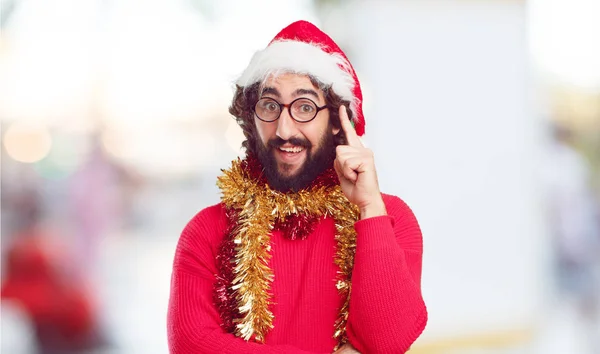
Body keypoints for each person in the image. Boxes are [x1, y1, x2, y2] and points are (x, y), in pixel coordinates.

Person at [167, 20, 428, 353]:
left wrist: (370, 208)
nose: (284, 128)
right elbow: (191, 345)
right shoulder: (207, 230)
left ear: (337, 121)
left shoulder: (390, 218)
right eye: (270, 106)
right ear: (251, 115)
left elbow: (386, 341)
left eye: (305, 107)